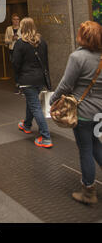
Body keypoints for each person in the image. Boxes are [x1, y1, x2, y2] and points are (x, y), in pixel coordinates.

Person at [49, 21, 102, 205]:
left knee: (86, 149)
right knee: (96, 144)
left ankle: (88, 191)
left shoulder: (77, 57)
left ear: (82, 36)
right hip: (99, 113)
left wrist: (52, 100)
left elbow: (66, 85)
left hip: (83, 113)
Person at [12, 17, 53, 148]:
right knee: (33, 101)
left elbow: (15, 63)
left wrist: (17, 79)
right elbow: (46, 62)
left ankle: (46, 137)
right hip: (40, 78)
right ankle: (26, 125)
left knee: (35, 106)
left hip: (27, 79)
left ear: (22, 28)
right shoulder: (43, 42)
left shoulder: (20, 43)